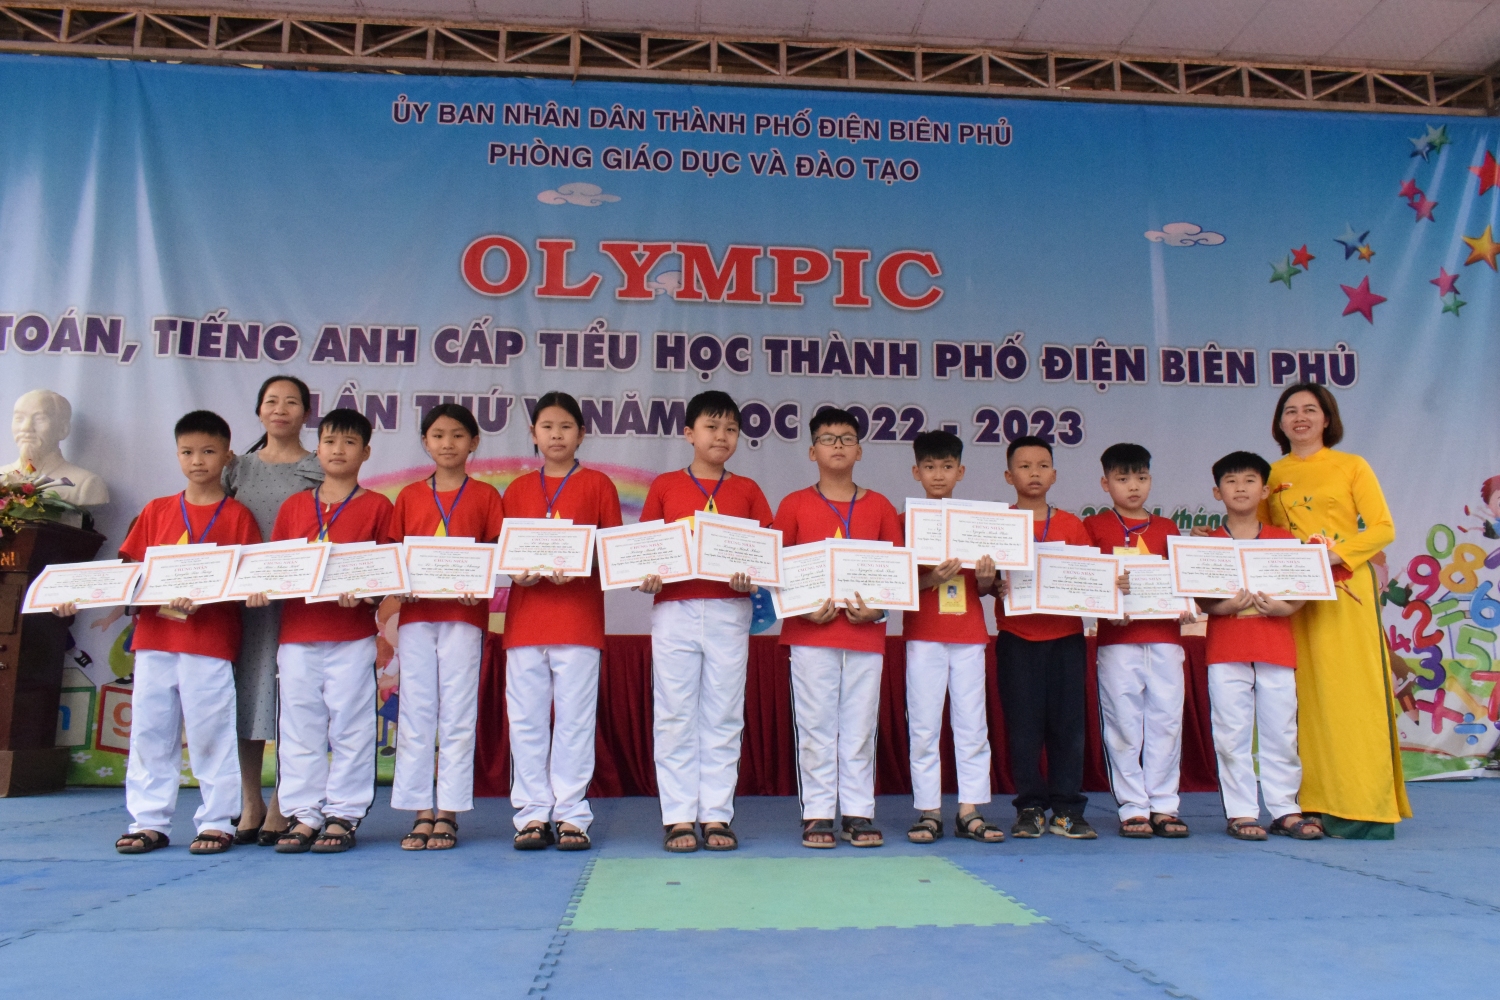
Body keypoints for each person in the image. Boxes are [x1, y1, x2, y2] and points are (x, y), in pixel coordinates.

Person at [84, 410, 262, 854]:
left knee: (211, 732)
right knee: (150, 731)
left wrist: (209, 595)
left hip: (210, 639)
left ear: (227, 456)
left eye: (208, 451)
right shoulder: (157, 510)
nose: (197, 460)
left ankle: (217, 821)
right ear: (177, 455)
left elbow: (248, 580)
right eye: (187, 452)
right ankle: (148, 821)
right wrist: (75, 595)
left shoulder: (238, 516)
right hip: (155, 639)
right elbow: (130, 571)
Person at [1262, 382, 1409, 838]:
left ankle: (1361, 806)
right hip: (1293, 598)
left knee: (1350, 696)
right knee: (1302, 699)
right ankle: (1309, 803)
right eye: (1290, 410)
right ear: (1280, 422)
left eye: (1310, 409)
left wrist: (1333, 555)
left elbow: (1383, 528)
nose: (1300, 417)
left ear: (1327, 418)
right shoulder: (1271, 474)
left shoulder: (1351, 466)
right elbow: (1262, 536)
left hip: (1345, 590)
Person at [637, 391, 772, 853]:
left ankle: (716, 814)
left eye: (731, 429)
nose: (721, 436)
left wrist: (752, 575)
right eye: (711, 427)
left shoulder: (748, 489)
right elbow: (646, 550)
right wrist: (647, 575)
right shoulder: (665, 485)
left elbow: (766, 554)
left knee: (723, 713)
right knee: (674, 713)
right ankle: (677, 816)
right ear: (688, 433)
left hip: (729, 610)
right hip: (674, 609)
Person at [256, 409, 393, 854]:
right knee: (299, 727)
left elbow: (388, 573)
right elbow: (277, 566)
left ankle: (343, 815)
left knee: (351, 726)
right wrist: (262, 587)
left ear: (366, 452)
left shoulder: (378, 507)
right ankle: (304, 814)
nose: (338, 450)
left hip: (352, 637)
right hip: (297, 635)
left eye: (350, 443)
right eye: (330, 441)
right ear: (317, 449)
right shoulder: (295, 507)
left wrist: (367, 595)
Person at [772, 408, 903, 849]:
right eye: (828, 438)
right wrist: (804, 610)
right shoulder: (793, 504)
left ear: (860, 450)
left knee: (860, 728)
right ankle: (818, 813)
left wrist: (878, 610)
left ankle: (858, 812)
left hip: (865, 635)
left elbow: (897, 574)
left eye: (847, 438)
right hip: (811, 634)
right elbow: (776, 570)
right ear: (813, 452)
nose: (838, 445)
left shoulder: (880, 506)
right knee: (815, 727)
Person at [503, 392, 623, 852]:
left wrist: (580, 562)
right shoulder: (516, 489)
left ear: (581, 434)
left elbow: (614, 554)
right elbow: (504, 554)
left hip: (578, 621)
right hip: (525, 623)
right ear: (533, 434)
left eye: (566, 426)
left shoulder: (598, 485)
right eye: (547, 427)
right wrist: (518, 572)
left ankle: (572, 813)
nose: (556, 435)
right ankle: (532, 813)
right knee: (527, 722)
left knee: (574, 721)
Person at [389, 403, 505, 851]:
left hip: (464, 616)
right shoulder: (408, 497)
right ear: (425, 442)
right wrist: (402, 585)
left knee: (457, 713)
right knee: (416, 712)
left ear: (474, 442)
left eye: (458, 435)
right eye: (438, 435)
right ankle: (420, 811)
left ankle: (450, 812)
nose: (448, 443)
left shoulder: (486, 496)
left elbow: (496, 555)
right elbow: (394, 556)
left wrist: (479, 584)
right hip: (416, 618)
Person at [1197, 450, 1320, 841]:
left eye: (1250, 480)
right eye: (1230, 481)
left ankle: (1285, 809)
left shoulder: (1284, 540)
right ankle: (1241, 812)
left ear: (1265, 490)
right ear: (1217, 492)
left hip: (1275, 646)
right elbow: (1201, 599)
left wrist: (1285, 608)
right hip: (1226, 647)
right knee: (1231, 733)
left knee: (1281, 731)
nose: (1240, 488)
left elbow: (1302, 591)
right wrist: (1224, 607)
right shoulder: (1207, 543)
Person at [222, 375, 323, 846]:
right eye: (271, 401)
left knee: (293, 703)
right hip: (246, 604)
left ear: (306, 413)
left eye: (291, 402)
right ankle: (250, 801)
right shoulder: (235, 469)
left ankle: (283, 802)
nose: (280, 409)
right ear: (259, 410)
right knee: (248, 697)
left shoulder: (320, 466)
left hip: (299, 605)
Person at [994, 436, 1098, 840]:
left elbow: (1089, 578)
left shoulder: (1072, 525)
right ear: (1009, 476)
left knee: (1068, 727)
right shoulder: (998, 525)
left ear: (1054, 474)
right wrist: (989, 581)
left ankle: (1068, 808)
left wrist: (1108, 584)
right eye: (1024, 466)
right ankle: (1030, 807)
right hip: (1017, 638)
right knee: (1023, 728)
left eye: (1042, 466)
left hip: (1066, 638)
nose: (1033, 473)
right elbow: (984, 585)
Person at [1084, 443, 1190, 839]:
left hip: (1165, 638)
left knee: (1166, 722)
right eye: (1123, 478)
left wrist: (1186, 602)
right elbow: (1085, 580)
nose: (1133, 486)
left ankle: (1164, 805)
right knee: (1123, 724)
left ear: (1150, 480)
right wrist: (1108, 600)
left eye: (1141, 477)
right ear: (1105, 483)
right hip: (1117, 640)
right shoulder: (1093, 527)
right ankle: (1133, 807)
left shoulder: (1168, 528)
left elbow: (1183, 580)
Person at [901, 430, 1002, 845]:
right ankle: (928, 811)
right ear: (916, 472)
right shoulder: (906, 522)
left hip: (969, 633)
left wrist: (987, 579)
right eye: (929, 467)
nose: (938, 475)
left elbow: (985, 587)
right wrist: (930, 579)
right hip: (924, 633)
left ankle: (969, 810)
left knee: (972, 724)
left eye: (946, 467)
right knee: (924, 725)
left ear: (960, 471)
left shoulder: (977, 523)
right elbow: (894, 584)